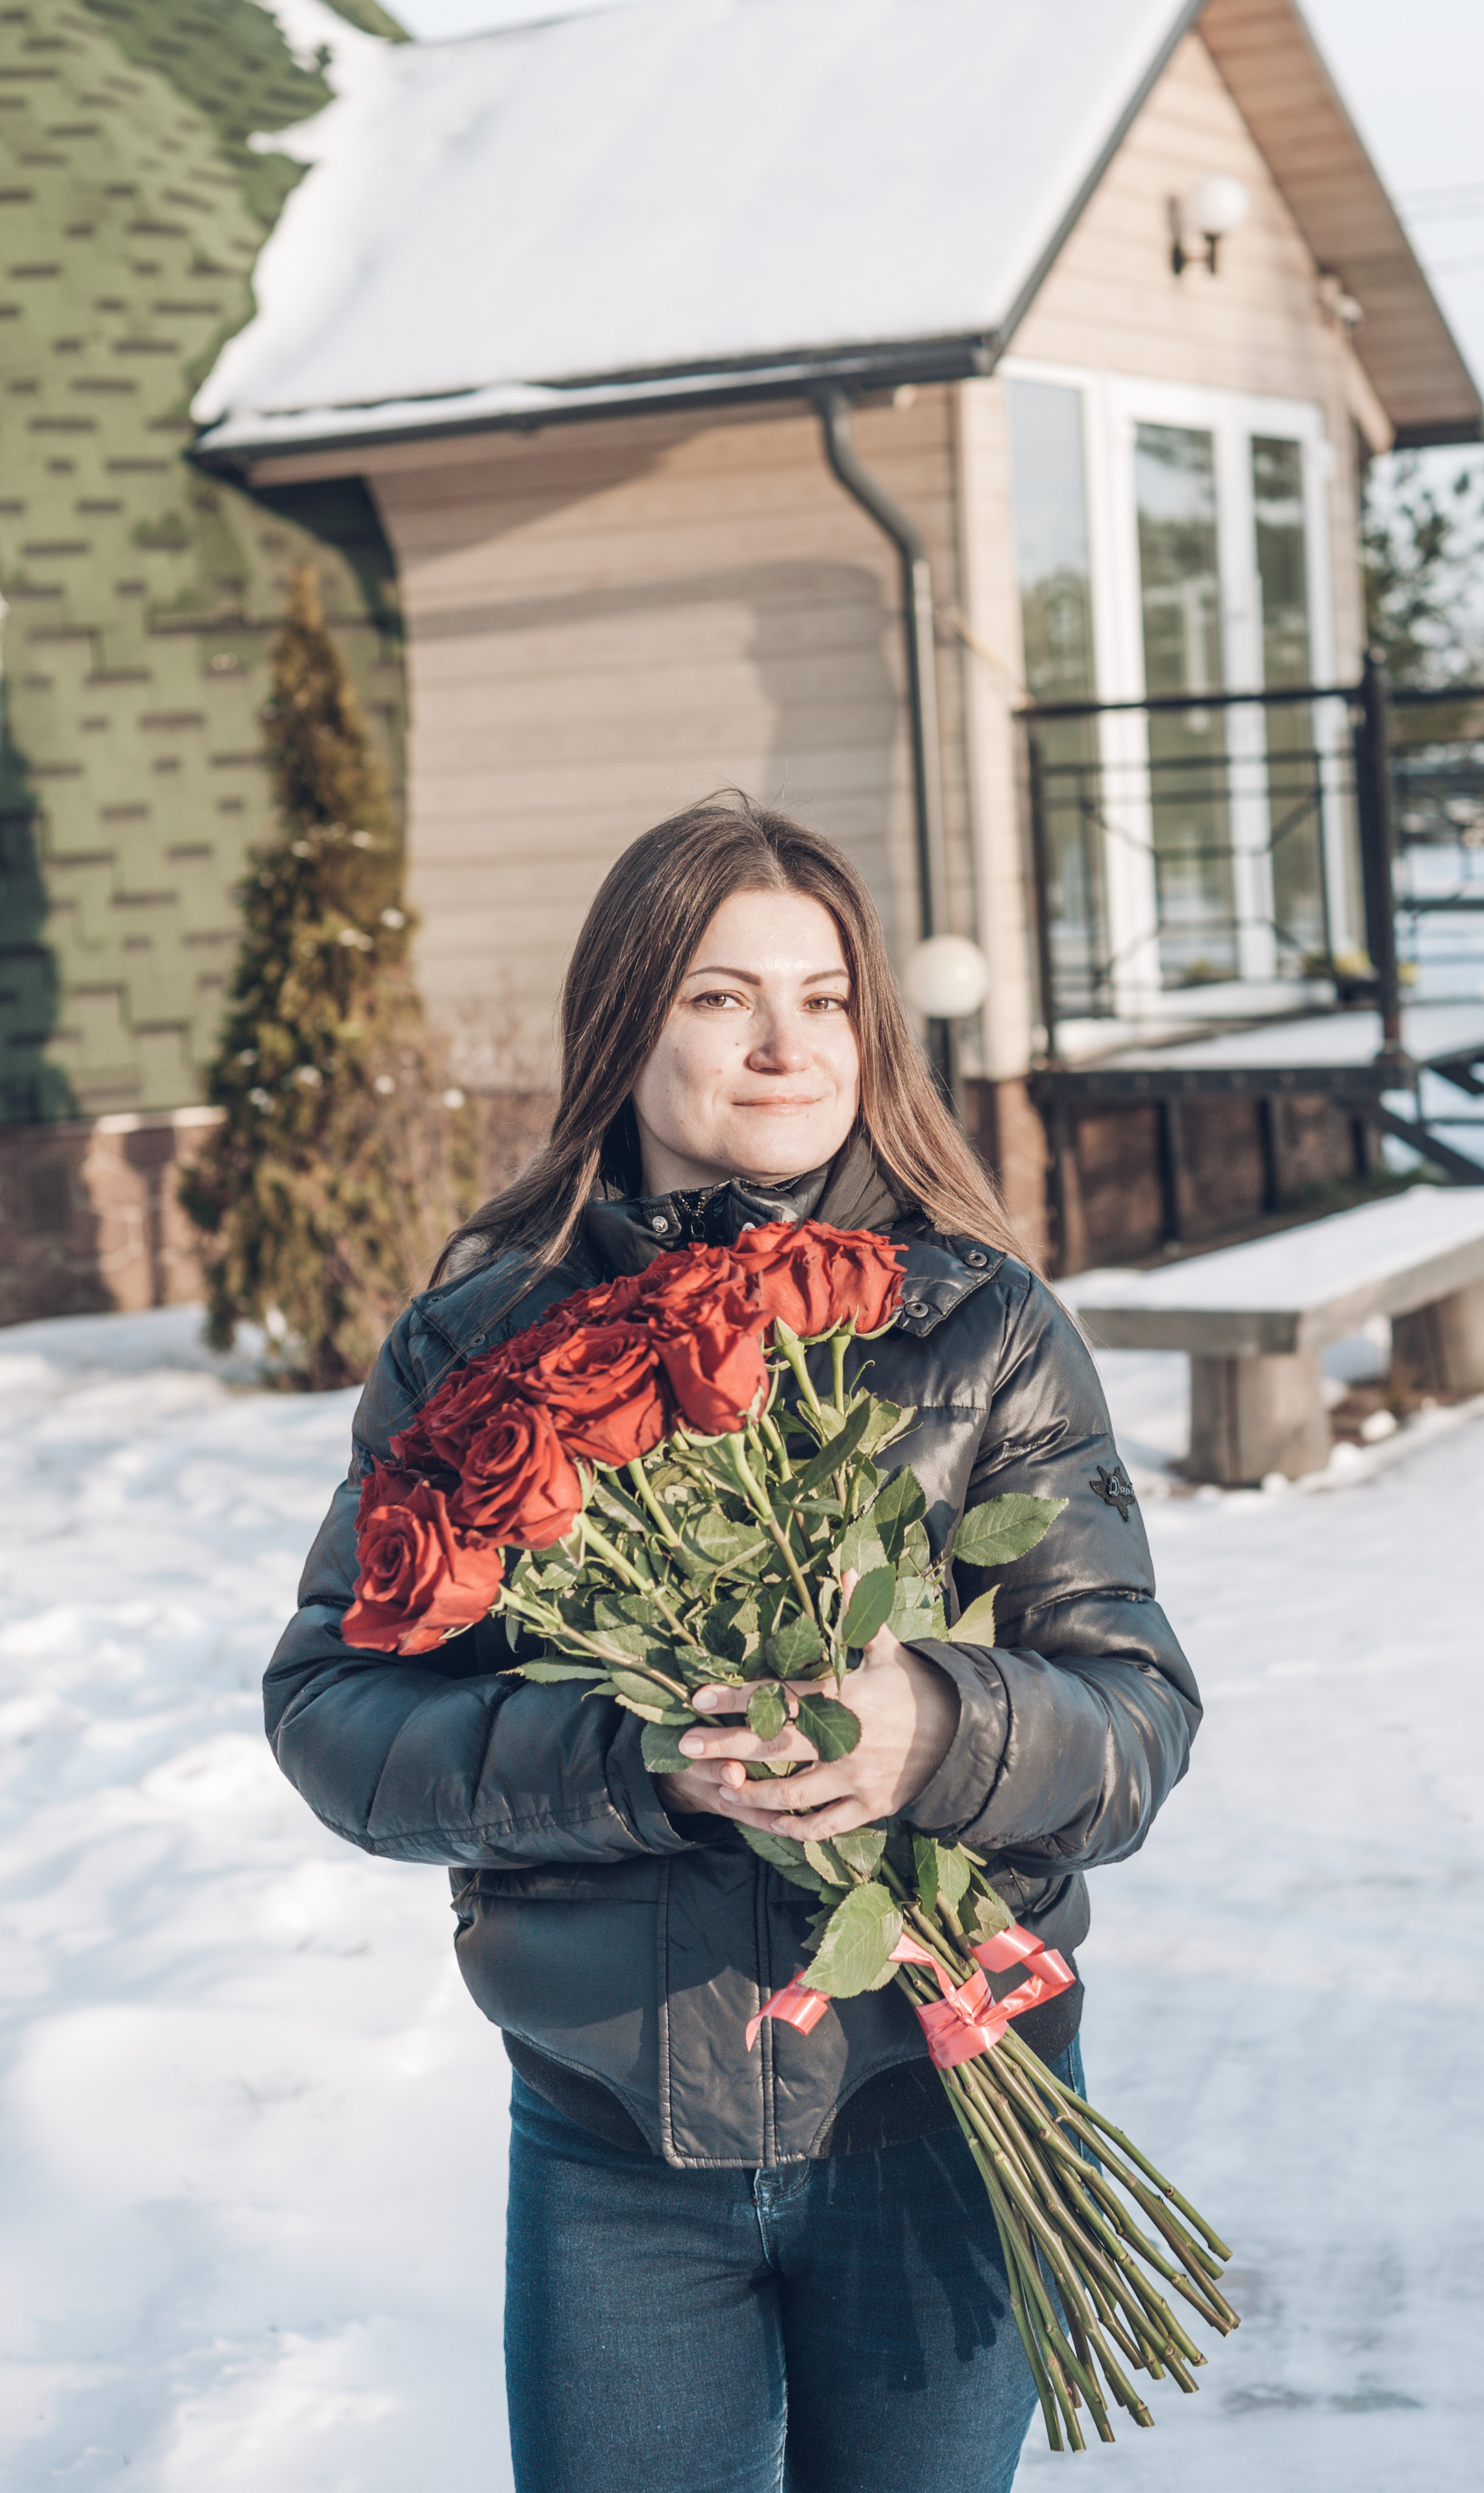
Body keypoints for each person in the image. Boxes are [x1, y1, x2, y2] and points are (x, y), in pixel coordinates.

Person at [266, 795, 1201, 2493]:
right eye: (721, 998)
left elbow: (1133, 1722)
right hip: (617, 2150)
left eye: (828, 998)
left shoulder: (983, 1328)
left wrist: (943, 1728)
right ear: (625, 1024)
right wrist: (640, 1766)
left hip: (947, 2119)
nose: (788, 1045)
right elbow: (338, 1715)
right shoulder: (479, 1347)